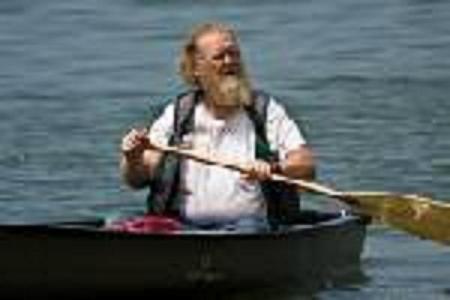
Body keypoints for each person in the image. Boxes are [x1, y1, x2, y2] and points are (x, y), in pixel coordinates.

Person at [120, 22, 315, 232]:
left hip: (249, 229)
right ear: (197, 68)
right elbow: (137, 180)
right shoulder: (178, 114)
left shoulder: (265, 110)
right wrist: (132, 157)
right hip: (184, 228)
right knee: (125, 224)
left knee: (247, 230)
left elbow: (306, 164)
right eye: (219, 56)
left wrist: (274, 168)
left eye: (234, 54)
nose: (230, 61)